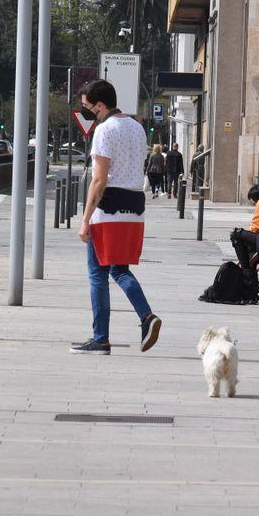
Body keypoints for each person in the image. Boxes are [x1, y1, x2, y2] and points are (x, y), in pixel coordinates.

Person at [73, 79, 163, 355]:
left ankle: (101, 338)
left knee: (97, 274)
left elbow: (99, 180)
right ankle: (147, 317)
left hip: (108, 210)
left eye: (88, 107)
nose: (87, 112)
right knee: (119, 270)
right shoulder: (137, 128)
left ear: (100, 106)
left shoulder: (104, 130)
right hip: (134, 208)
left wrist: (85, 219)